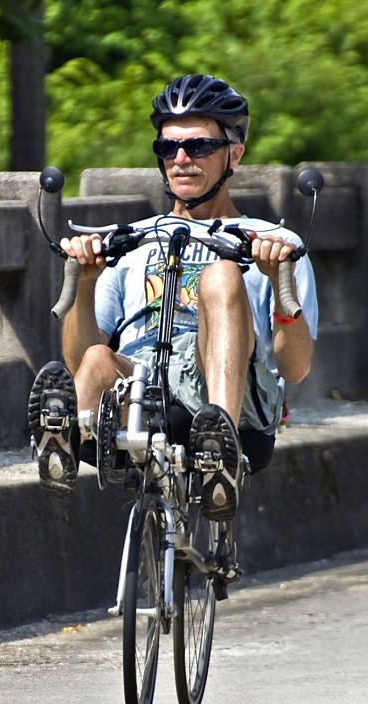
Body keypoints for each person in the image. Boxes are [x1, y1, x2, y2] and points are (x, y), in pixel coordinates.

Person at [28, 73, 318, 522]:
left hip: (230, 402)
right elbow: (77, 360)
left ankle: (217, 448)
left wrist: (281, 286)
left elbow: (296, 369)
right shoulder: (131, 243)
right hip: (140, 396)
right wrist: (84, 283)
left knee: (221, 275)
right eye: (168, 148)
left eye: (199, 147)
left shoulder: (274, 244)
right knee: (98, 360)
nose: (181, 159)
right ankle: (61, 440)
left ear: (234, 155)